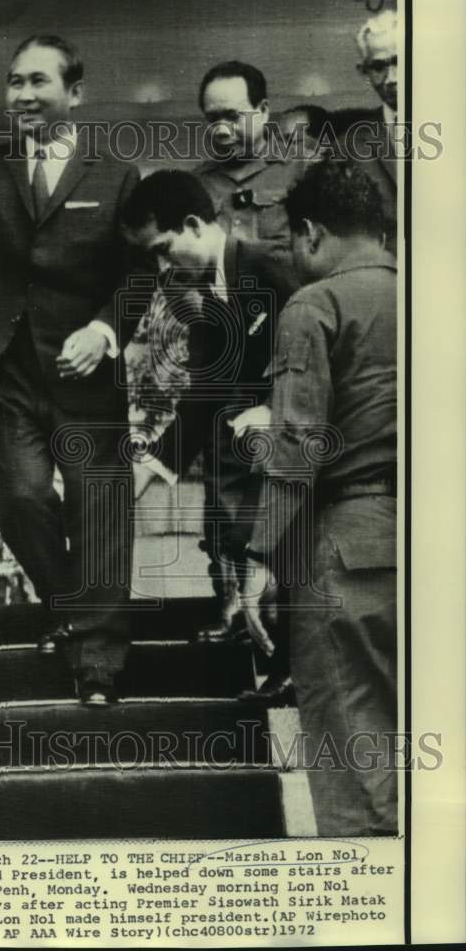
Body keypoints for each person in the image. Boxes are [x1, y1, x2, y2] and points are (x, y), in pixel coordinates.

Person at [0, 35, 141, 706]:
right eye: (14, 82)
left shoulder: (115, 175)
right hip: (11, 370)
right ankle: (76, 613)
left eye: (38, 82)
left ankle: (99, 667)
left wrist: (106, 328)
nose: (23, 95)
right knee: (21, 498)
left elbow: (137, 274)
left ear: (73, 93)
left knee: (98, 507)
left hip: (86, 373)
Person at [241, 160, 397, 835]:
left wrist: (260, 557)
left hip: (345, 545)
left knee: (351, 752)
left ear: (309, 234)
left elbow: (298, 445)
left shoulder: (314, 306)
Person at [122, 170, 297, 703]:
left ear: (194, 224)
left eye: (163, 249)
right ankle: (280, 668)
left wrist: (273, 406)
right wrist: (144, 473)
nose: (161, 266)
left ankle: (291, 672)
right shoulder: (203, 294)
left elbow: (315, 350)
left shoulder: (268, 267)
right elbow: (200, 399)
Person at [194, 60, 309, 283]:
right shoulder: (197, 182)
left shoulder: (304, 168)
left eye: (233, 116)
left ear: (263, 111)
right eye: (212, 119)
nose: (221, 131)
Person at [333, 9, 398, 252]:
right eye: (379, 66)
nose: (392, 78)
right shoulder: (348, 147)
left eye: (400, 61)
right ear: (364, 72)